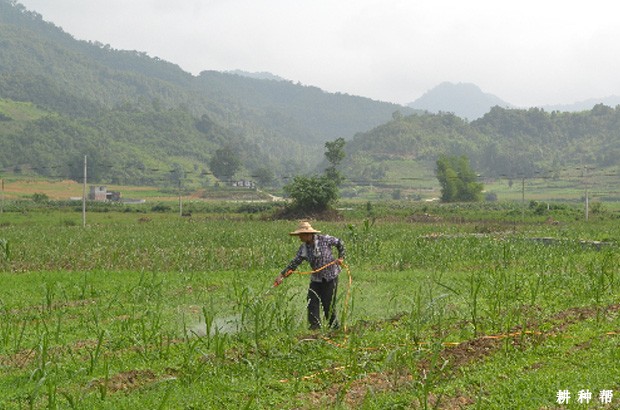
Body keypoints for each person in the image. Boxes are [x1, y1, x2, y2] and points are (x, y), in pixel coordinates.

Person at [275, 221, 345, 330]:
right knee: (311, 301)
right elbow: (295, 263)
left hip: (330, 277)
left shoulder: (325, 239)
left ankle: (335, 328)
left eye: (301, 235)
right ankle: (315, 328)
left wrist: (341, 257)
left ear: (308, 234)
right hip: (316, 278)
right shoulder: (303, 248)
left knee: (328, 305)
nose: (300, 238)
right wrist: (282, 276)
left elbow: (340, 242)